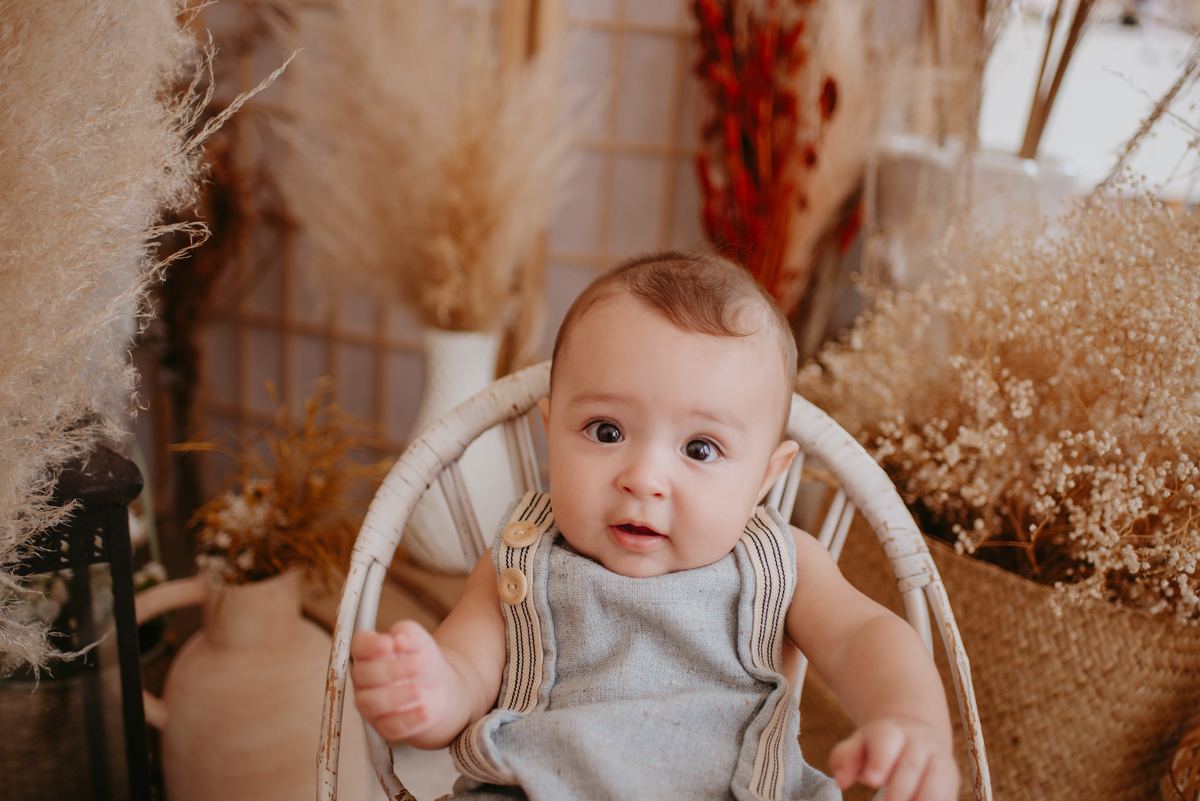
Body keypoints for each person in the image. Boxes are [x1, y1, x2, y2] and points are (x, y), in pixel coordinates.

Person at [351, 251, 960, 801]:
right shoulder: (521, 558)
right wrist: (429, 693)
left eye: (700, 449)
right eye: (606, 431)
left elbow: (862, 637)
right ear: (550, 430)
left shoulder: (780, 564)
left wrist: (908, 718)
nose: (643, 478)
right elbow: (467, 666)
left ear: (766, 478)